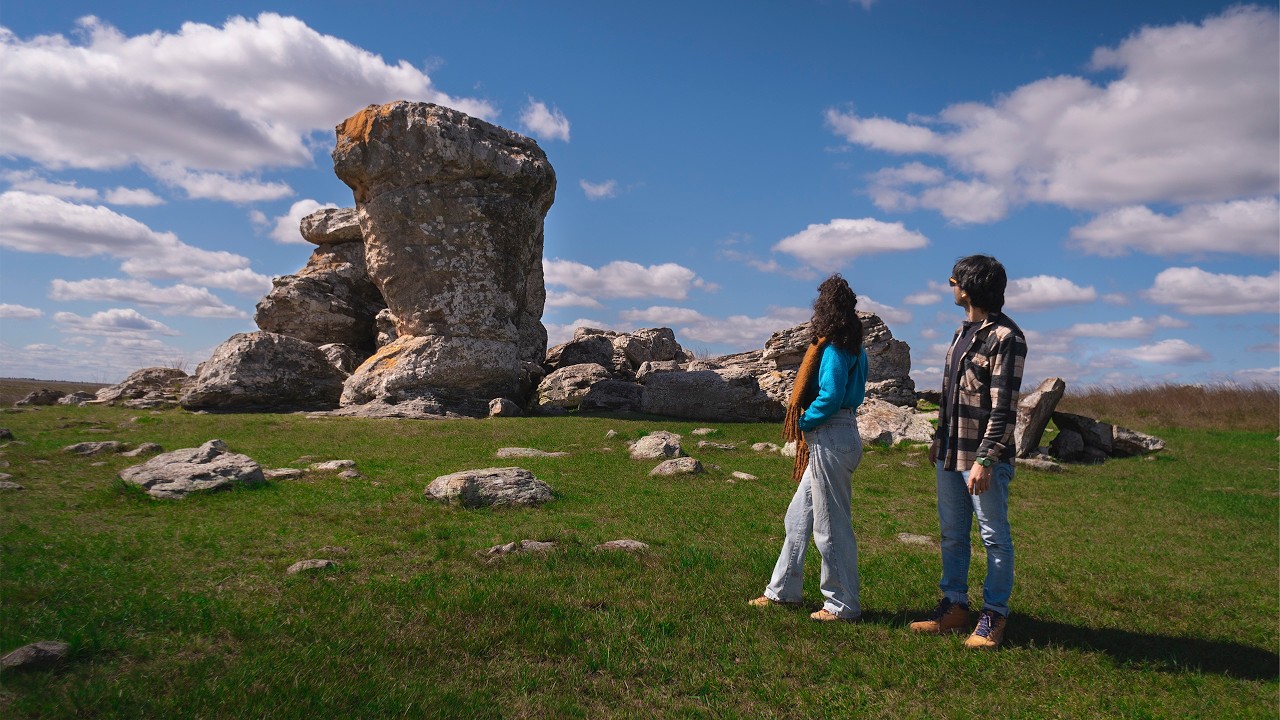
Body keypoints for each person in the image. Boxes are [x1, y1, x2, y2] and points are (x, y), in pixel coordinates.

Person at [909, 254, 1026, 649]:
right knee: (953, 535)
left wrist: (986, 460)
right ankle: (955, 607)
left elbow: (1004, 407)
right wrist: (938, 441)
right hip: (951, 454)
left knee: (994, 537)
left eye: (955, 280)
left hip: (981, 460)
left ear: (971, 286)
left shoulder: (1007, 338)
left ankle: (994, 616)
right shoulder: (961, 334)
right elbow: (950, 398)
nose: (950, 284)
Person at [749, 274, 870, 622]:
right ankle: (783, 590)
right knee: (798, 517)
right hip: (844, 432)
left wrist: (804, 422)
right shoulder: (855, 348)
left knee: (829, 525)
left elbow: (830, 394)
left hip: (830, 435)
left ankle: (842, 604)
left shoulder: (832, 348)